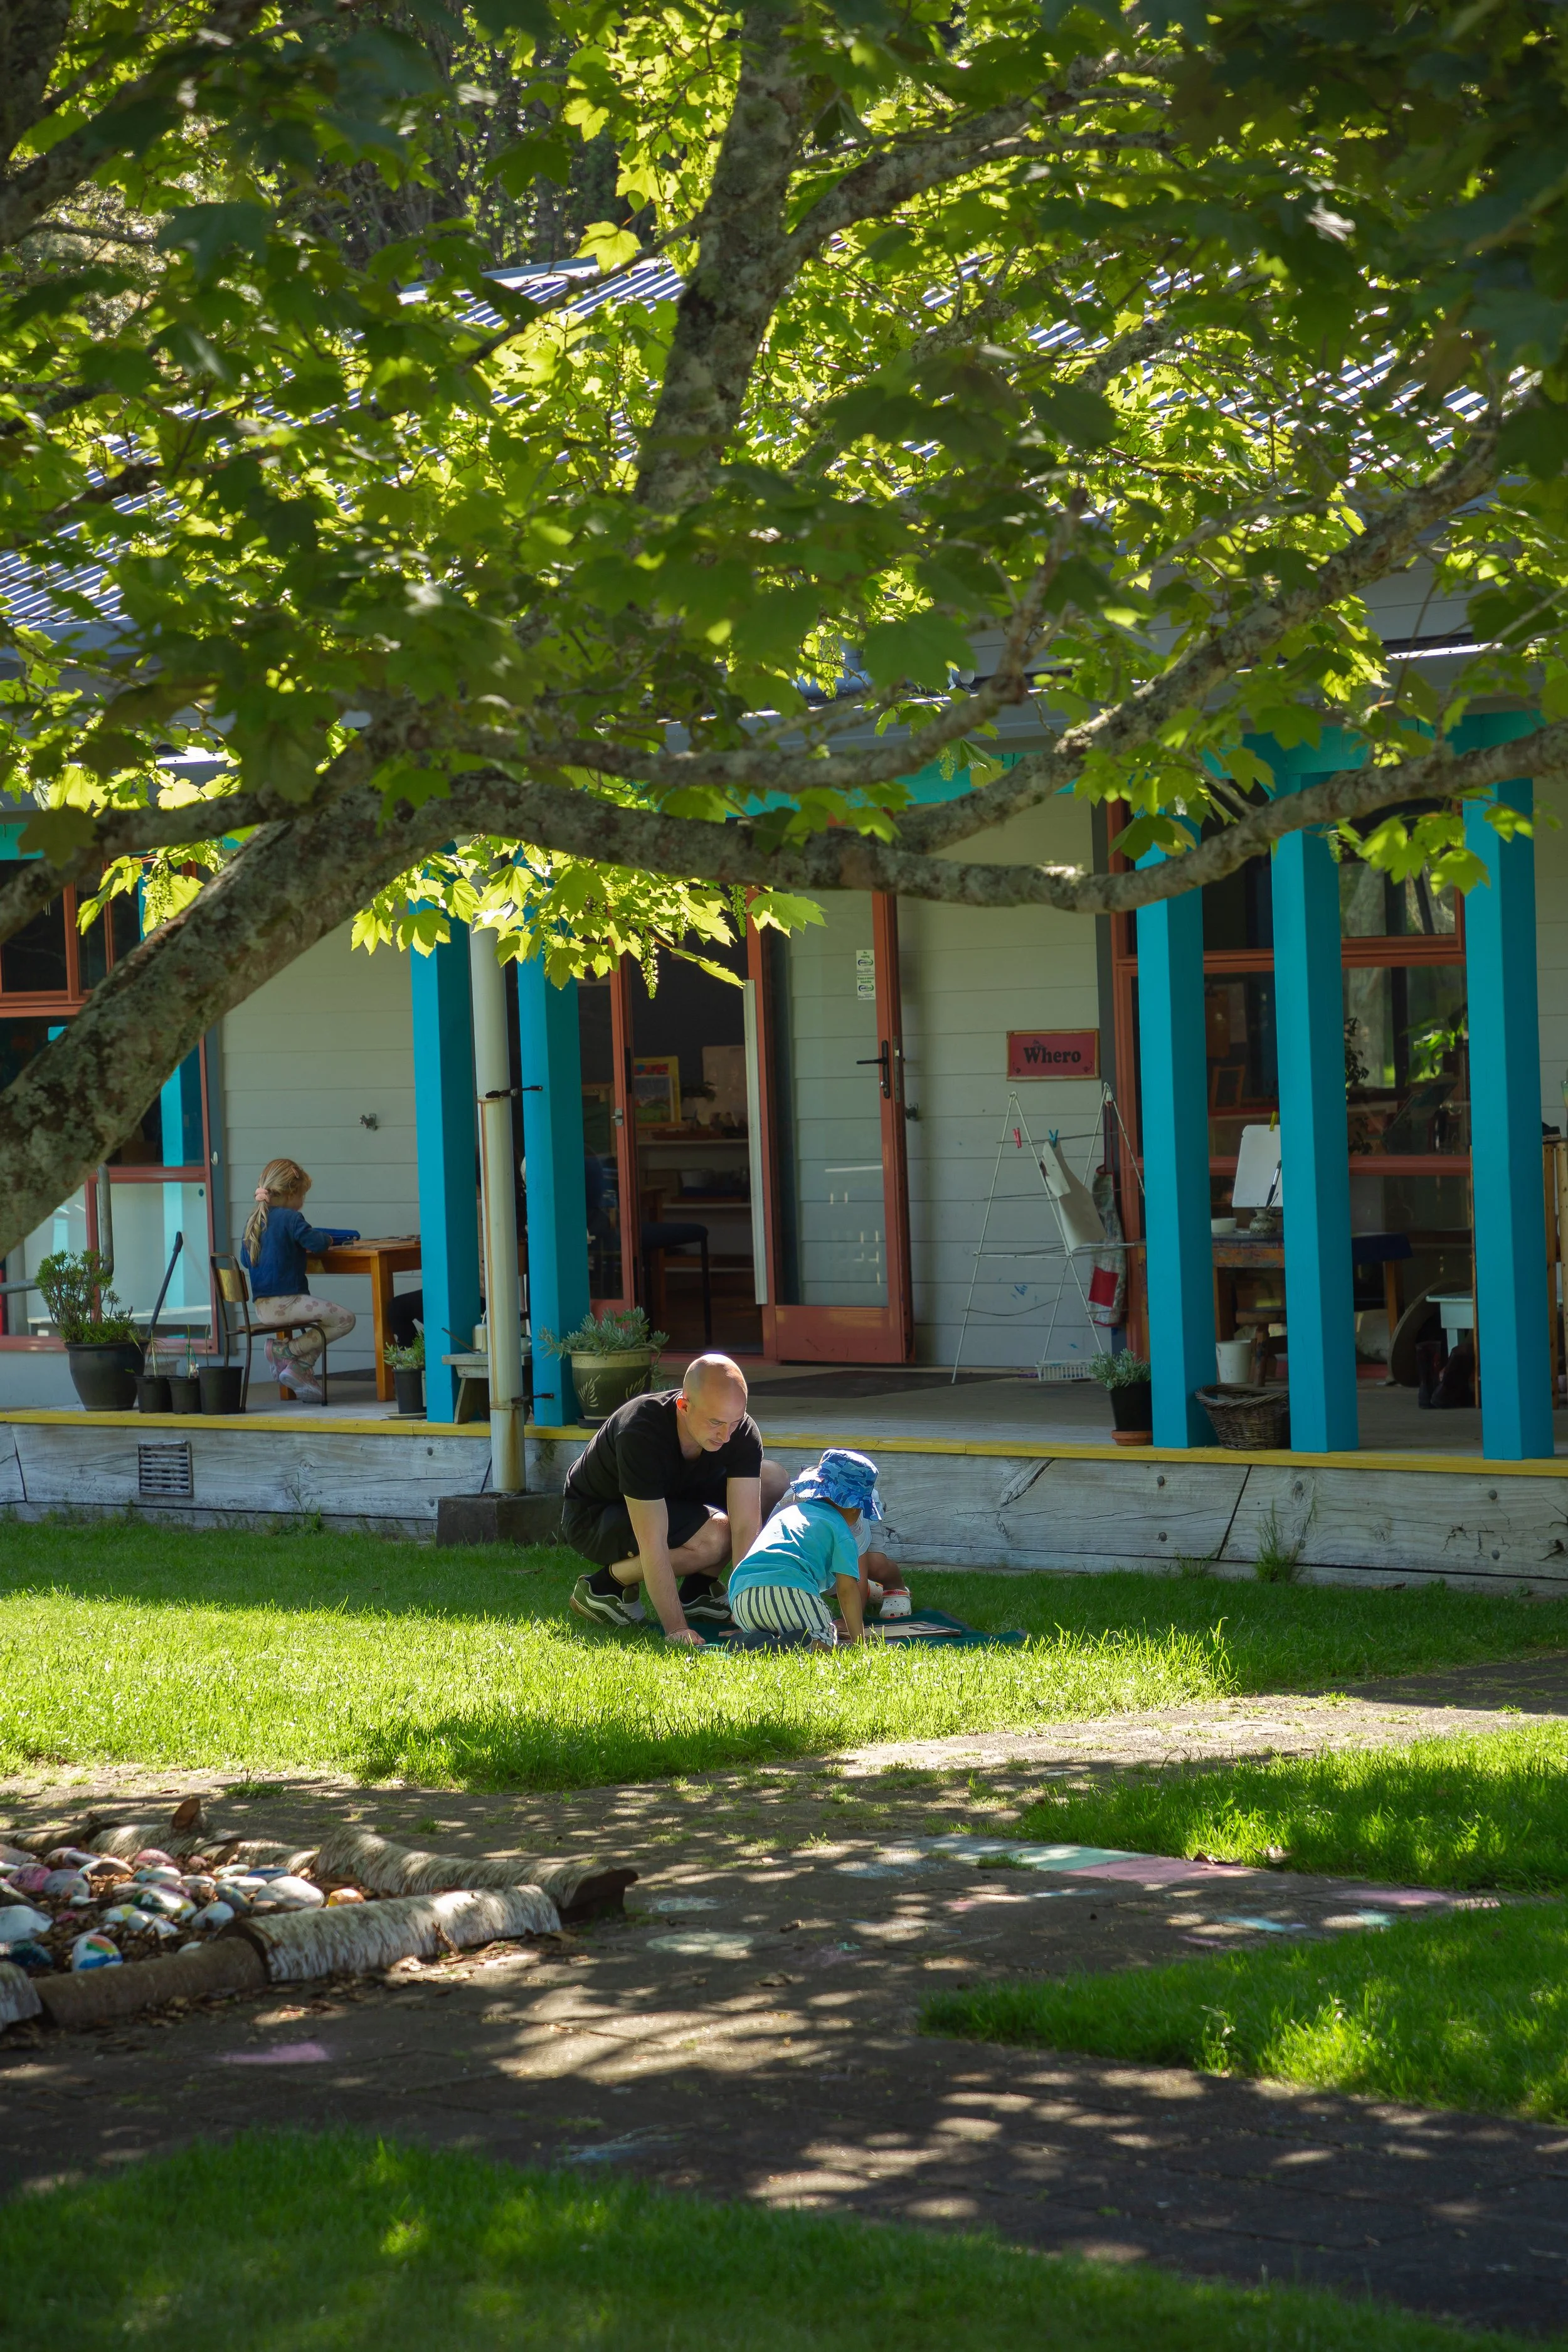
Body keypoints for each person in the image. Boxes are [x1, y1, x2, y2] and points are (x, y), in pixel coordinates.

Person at [564, 1353, 787, 1643]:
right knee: (716, 1536)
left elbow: (746, 1527)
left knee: (772, 1481)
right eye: (715, 1422)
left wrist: (745, 1610)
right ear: (683, 1406)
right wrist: (676, 1628)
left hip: (672, 1498)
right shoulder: (641, 1430)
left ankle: (699, 1591)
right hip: (597, 1517)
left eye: (735, 1421)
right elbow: (653, 1541)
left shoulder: (739, 1431)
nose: (726, 1436)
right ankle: (605, 1586)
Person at [726, 1448, 882, 1646]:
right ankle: (799, 1646)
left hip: (742, 1597)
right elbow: (847, 1590)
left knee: (778, 1626)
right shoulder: (842, 1532)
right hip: (791, 1591)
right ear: (853, 1506)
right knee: (824, 1644)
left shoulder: (787, 1514)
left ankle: (753, 1642)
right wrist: (859, 1641)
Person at [241, 1157, 360, 1405]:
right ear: (290, 1193)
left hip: (263, 1309)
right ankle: (291, 1354)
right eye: (302, 1196)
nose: (302, 1202)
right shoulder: (291, 1219)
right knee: (345, 1319)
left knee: (331, 1320)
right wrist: (327, 1240)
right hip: (288, 1303)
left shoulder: (254, 1222)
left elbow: (246, 1260)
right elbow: (316, 1243)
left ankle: (297, 1364)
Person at [776, 1470, 911, 1620]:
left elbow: (856, 1573)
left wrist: (850, 1622)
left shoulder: (854, 1515)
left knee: (875, 1564)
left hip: (861, 1511)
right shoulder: (786, 1512)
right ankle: (868, 1591)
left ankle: (895, 1585)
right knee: (823, 1572)